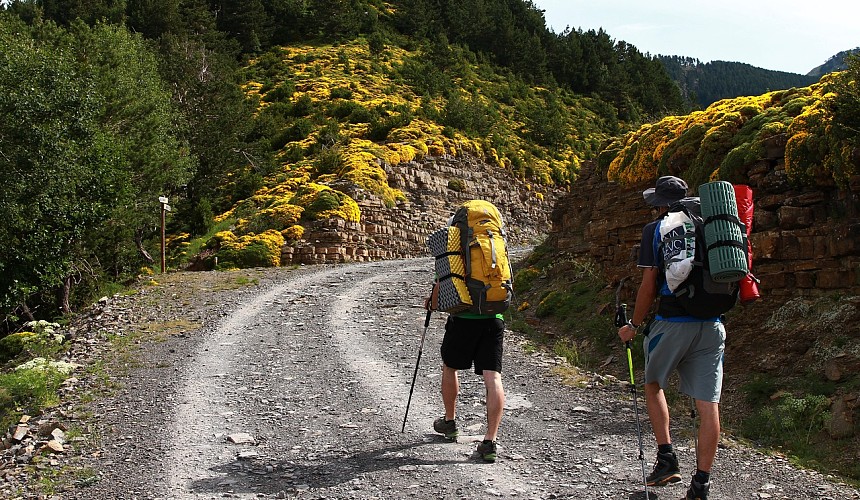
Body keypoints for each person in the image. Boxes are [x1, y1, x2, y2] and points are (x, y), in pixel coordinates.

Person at [617, 176, 725, 500]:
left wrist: (634, 325)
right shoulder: (710, 224)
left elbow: (649, 285)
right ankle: (701, 485)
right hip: (713, 325)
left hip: (673, 322)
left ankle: (667, 460)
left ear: (660, 204)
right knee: (709, 406)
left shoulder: (658, 229)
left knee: (653, 385)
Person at [424, 221, 507, 464]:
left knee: (450, 366)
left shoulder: (454, 248)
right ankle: (490, 441)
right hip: (494, 318)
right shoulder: (496, 244)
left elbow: (440, 289)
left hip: (462, 319)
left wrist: (431, 302)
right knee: (493, 377)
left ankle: (450, 423)